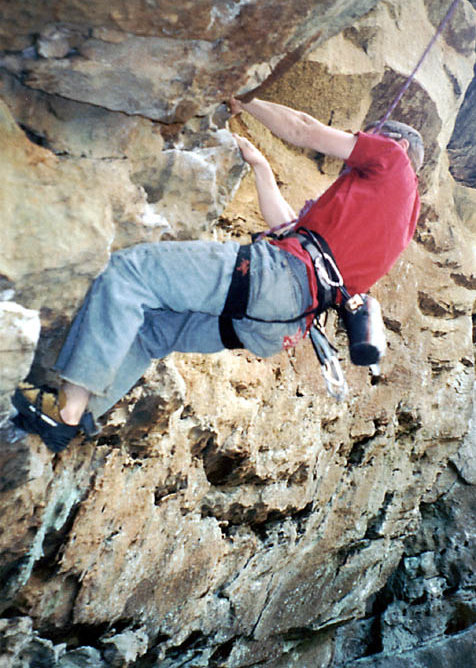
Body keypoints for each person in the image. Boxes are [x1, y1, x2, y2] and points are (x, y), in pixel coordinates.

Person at [11, 97, 423, 453]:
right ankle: (80, 416)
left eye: (364, 138)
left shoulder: (393, 158)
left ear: (398, 144)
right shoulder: (397, 222)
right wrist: (261, 167)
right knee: (152, 330)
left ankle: (65, 410)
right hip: (282, 324)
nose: (354, 153)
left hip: (274, 279)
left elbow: (304, 129)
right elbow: (287, 229)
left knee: (129, 273)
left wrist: (248, 98)